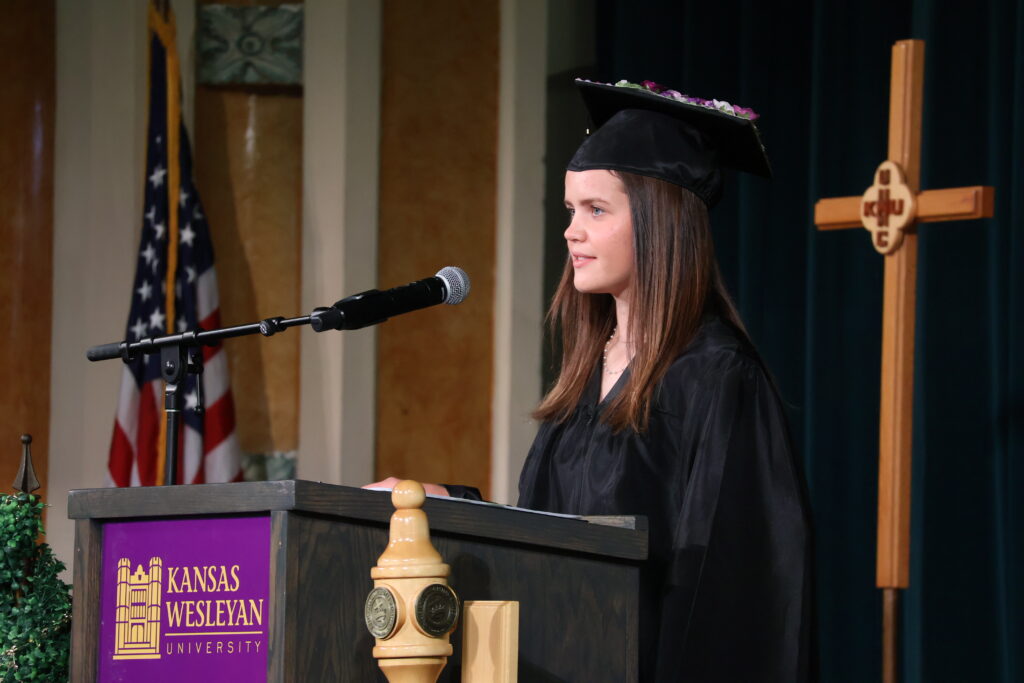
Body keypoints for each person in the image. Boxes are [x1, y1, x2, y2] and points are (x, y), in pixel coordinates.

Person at [370, 78, 816, 682]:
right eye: (570, 210)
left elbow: (737, 600)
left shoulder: (716, 378)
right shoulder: (586, 373)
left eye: (596, 210)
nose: (571, 232)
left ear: (662, 224)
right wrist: (437, 507)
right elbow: (550, 540)